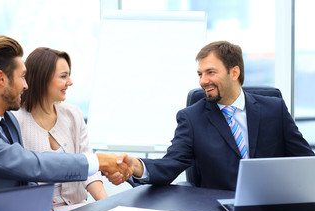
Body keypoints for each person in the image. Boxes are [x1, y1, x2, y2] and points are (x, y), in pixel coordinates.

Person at [109, 41, 314, 190]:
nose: (203, 81)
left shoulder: (274, 109)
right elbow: (170, 165)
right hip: (219, 209)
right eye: (200, 74)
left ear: (234, 73)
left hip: (274, 204)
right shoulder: (192, 118)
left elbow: (306, 160)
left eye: (210, 72)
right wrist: (136, 165)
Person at [0, 35, 131, 198]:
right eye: (22, 77)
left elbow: (24, 176)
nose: (26, 85)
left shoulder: (7, 120)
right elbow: (26, 164)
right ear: (1, 78)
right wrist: (97, 161)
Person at [12, 47, 106, 211]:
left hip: (79, 208)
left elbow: (89, 168)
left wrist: (108, 206)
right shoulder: (15, 119)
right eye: (63, 76)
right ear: (42, 79)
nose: (69, 82)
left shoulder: (73, 113)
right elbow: (19, 177)